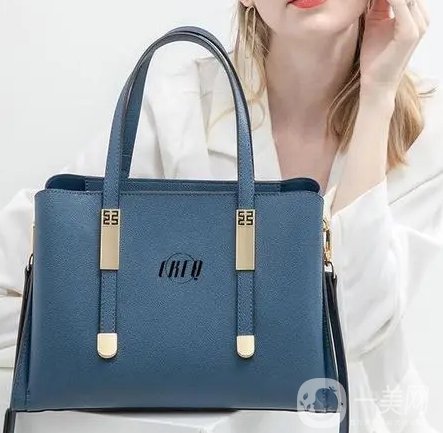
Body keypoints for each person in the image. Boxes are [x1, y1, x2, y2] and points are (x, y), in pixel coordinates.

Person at [0, 0, 442, 432]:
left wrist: (378, 98)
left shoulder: (426, 135)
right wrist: (145, 342)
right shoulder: (178, 106)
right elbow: (22, 255)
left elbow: (354, 327)